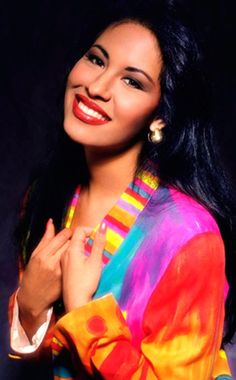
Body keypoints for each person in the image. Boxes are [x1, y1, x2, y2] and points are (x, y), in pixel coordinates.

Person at [8, 2, 236, 379]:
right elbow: (46, 363)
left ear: (160, 115)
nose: (95, 88)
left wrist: (83, 311)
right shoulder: (46, 195)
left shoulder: (188, 237)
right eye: (97, 60)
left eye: (132, 81)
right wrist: (31, 307)